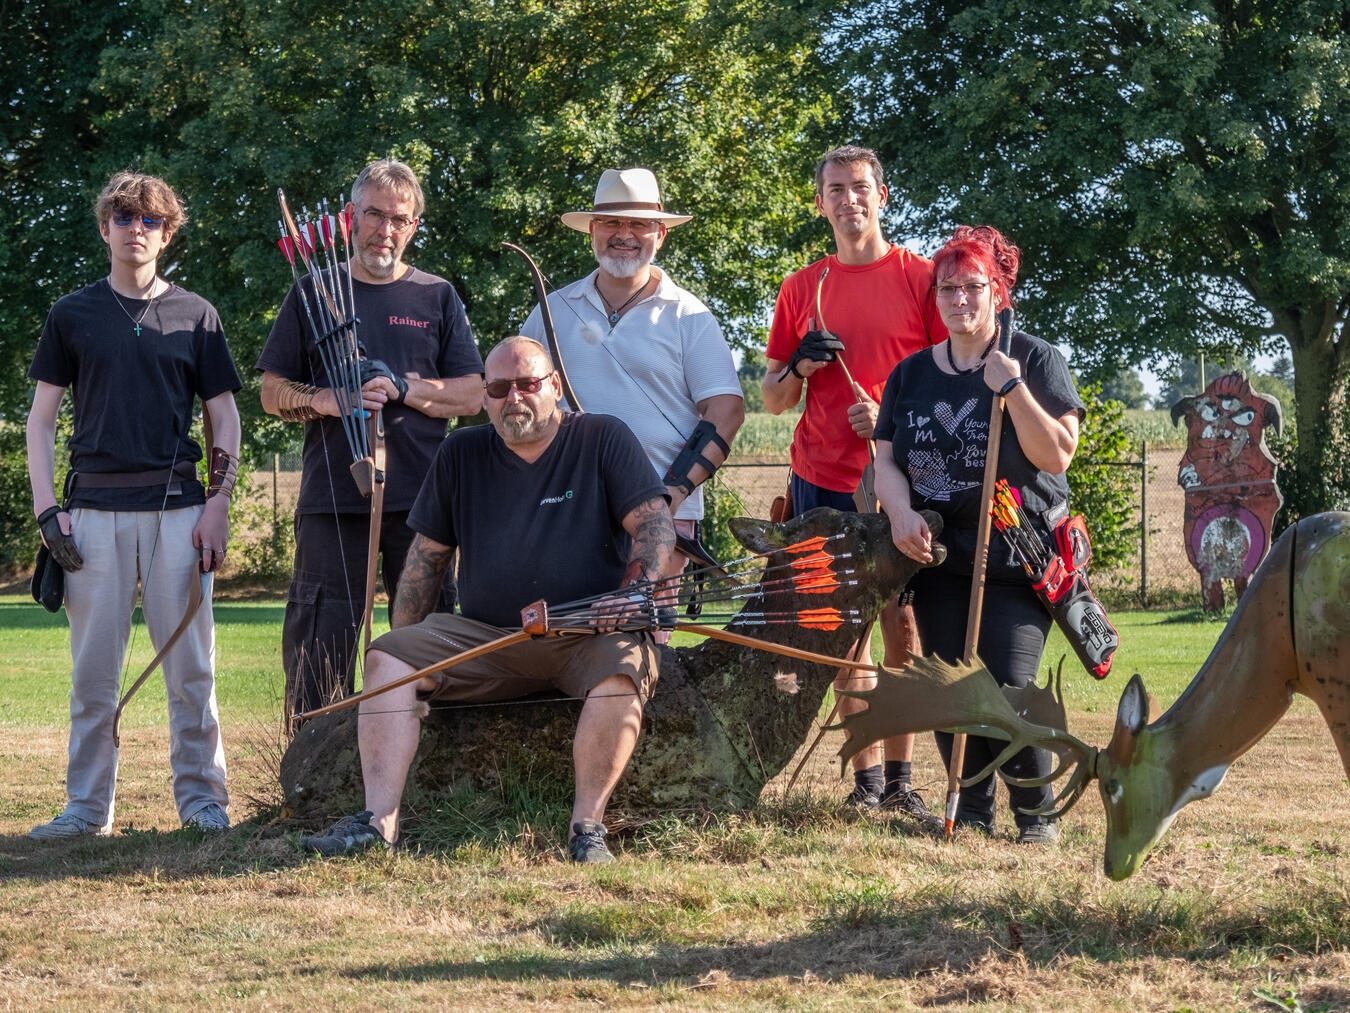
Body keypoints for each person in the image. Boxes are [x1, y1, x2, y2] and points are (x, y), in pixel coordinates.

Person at [300, 336, 675, 863]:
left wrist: (637, 590)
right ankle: (377, 824)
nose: (513, 397)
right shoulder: (461, 451)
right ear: (484, 397)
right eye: (498, 389)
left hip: (588, 632)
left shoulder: (602, 436)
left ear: (555, 386)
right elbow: (425, 560)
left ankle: (587, 829)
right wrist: (406, 646)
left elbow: (654, 525)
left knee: (621, 675)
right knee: (387, 657)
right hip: (488, 637)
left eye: (527, 384)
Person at [25, 170, 241, 839]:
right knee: (94, 676)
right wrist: (47, 511)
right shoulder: (72, 313)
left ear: (167, 233)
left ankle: (203, 803)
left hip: (180, 513)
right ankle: (87, 808)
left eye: (150, 220)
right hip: (91, 514)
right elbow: (40, 421)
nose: (136, 229)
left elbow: (225, 417)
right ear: (104, 228)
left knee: (191, 670)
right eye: (123, 217)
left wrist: (218, 503)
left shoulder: (197, 315)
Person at [873, 224, 1084, 844]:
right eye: (947, 288)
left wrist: (1011, 387)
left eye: (973, 286)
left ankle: (1035, 818)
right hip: (937, 554)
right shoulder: (911, 375)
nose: (959, 299)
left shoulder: (1036, 360)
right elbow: (885, 461)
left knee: (1007, 685)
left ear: (998, 291)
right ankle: (969, 809)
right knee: (950, 687)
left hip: (1018, 555)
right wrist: (900, 513)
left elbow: (1057, 454)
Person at [258, 159, 485, 723]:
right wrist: (327, 399)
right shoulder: (315, 291)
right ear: (351, 217)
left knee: (430, 644)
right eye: (374, 214)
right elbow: (270, 392)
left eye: (400, 219)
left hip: (422, 505)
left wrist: (404, 388)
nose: (386, 230)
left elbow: (473, 394)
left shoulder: (436, 296)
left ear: (413, 227)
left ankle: (429, 761)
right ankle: (314, 762)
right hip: (333, 500)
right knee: (320, 649)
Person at [762, 145, 946, 820]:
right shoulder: (801, 287)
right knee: (843, 637)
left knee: (903, 630)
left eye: (860, 187)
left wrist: (889, 418)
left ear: (882, 195)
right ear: (820, 203)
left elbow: (949, 382)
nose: (849, 199)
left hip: (900, 481)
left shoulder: (921, 279)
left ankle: (901, 779)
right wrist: (800, 368)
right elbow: (773, 398)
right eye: (836, 189)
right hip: (821, 481)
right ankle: (866, 782)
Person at [519, 167, 743, 637]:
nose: (624, 234)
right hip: (565, 510)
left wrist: (669, 494)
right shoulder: (551, 310)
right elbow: (517, 397)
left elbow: (726, 411)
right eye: (611, 223)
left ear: (660, 233)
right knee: (564, 645)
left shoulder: (690, 315)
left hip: (663, 515)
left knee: (644, 650)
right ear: (592, 231)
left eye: (639, 223)